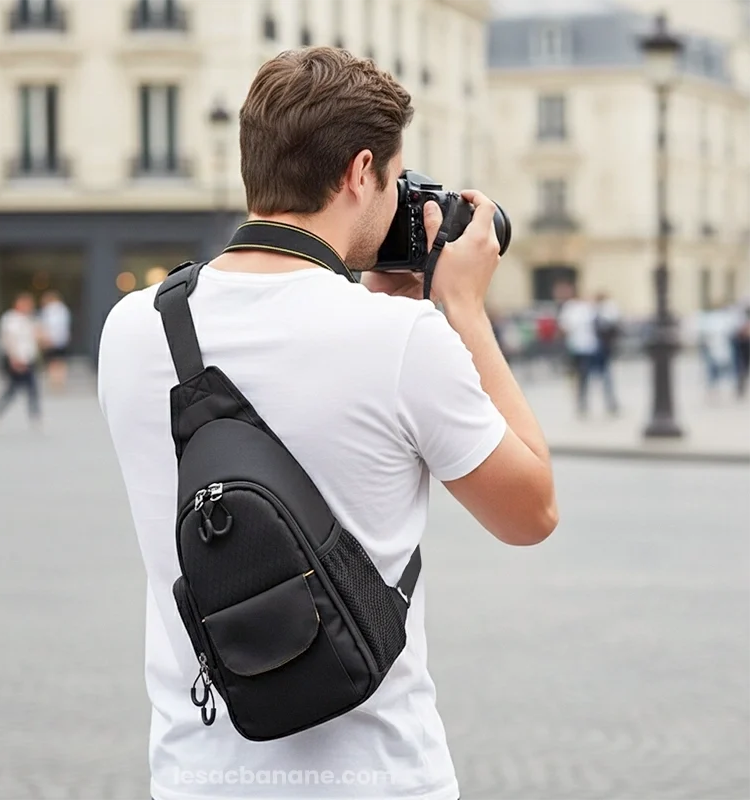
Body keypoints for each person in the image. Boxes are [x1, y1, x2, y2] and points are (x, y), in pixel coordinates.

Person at [98, 48, 558, 800]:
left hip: (198, 777)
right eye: (394, 180)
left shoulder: (132, 329)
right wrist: (462, 309)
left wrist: (382, 301)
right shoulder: (403, 342)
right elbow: (531, 511)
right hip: (376, 777)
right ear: (360, 170)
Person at [0, 292, 42, 424]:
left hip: (28, 358)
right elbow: (9, 339)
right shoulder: (10, 319)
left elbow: (36, 337)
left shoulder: (29, 319)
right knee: (20, 388)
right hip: (16, 359)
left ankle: (33, 414)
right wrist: (14, 358)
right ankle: (0, 410)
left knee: (24, 388)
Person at [557, 289, 599, 416]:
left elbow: (564, 327)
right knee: (580, 375)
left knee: (582, 375)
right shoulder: (580, 308)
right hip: (579, 347)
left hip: (582, 346)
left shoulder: (579, 308)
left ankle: (581, 400)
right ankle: (581, 399)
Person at [592, 292, 621, 415]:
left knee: (604, 376)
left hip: (601, 348)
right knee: (603, 376)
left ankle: (609, 402)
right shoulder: (596, 311)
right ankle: (609, 402)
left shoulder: (606, 311)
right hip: (596, 348)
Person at [39, 290, 72, 390]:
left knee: (53, 362)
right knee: (60, 361)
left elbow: (46, 325)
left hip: (51, 339)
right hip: (62, 339)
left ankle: (55, 381)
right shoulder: (63, 309)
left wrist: (45, 338)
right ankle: (60, 380)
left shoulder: (48, 310)